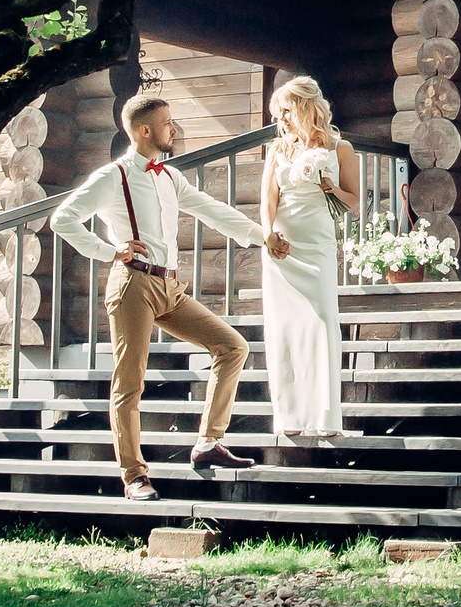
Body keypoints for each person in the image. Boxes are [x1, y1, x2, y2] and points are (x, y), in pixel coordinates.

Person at [51, 93, 288, 501]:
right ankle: (133, 476)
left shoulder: (168, 175)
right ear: (145, 131)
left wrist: (261, 237)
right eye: (167, 123)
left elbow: (212, 209)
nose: (173, 128)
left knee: (232, 346)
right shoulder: (114, 176)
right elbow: (62, 219)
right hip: (133, 286)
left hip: (170, 288)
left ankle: (208, 442)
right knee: (130, 384)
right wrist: (111, 251)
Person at [259, 75, 358, 438]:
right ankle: (290, 417)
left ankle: (325, 417)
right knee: (284, 329)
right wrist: (268, 233)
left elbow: (354, 202)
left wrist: (329, 188)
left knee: (321, 322)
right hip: (283, 247)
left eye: (284, 111)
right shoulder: (277, 150)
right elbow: (268, 200)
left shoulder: (340, 149)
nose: (280, 120)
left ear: (304, 107)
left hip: (317, 245)